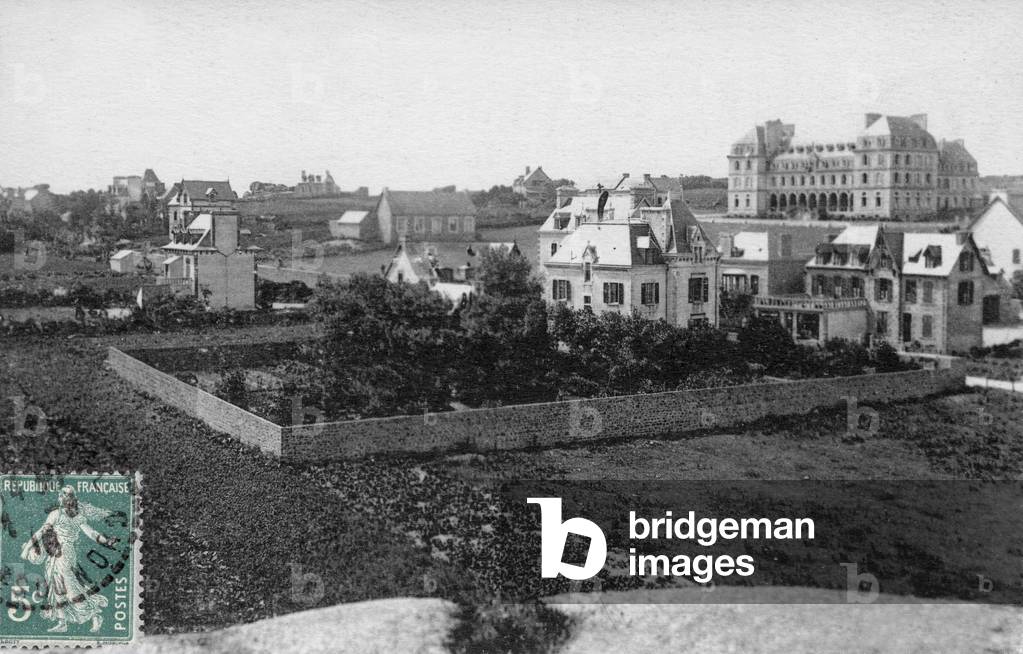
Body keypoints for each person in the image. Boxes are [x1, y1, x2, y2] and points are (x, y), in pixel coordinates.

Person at [21, 487, 117, 633]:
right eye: (64, 496)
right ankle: (62, 622)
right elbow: (42, 532)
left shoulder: (77, 517)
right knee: (57, 587)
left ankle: (95, 615)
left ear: (72, 499)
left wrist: (106, 541)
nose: (66, 500)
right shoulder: (56, 514)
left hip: (66, 553)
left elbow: (91, 533)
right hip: (55, 553)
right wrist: (27, 548)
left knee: (71, 589)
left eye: (68, 497)